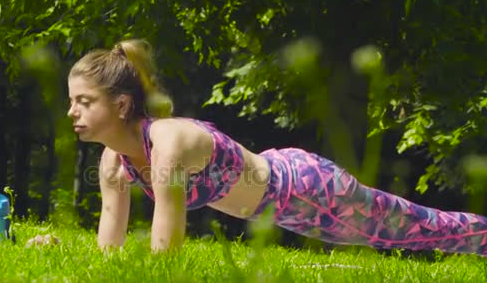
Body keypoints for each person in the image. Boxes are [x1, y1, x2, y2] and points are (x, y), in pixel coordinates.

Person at [67, 38, 487, 256]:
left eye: (84, 102)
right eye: (71, 101)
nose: (72, 112)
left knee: (414, 229)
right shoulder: (113, 164)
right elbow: (111, 250)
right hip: (285, 211)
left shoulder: (166, 143)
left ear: (121, 104)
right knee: (404, 233)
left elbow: (165, 250)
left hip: (307, 189)